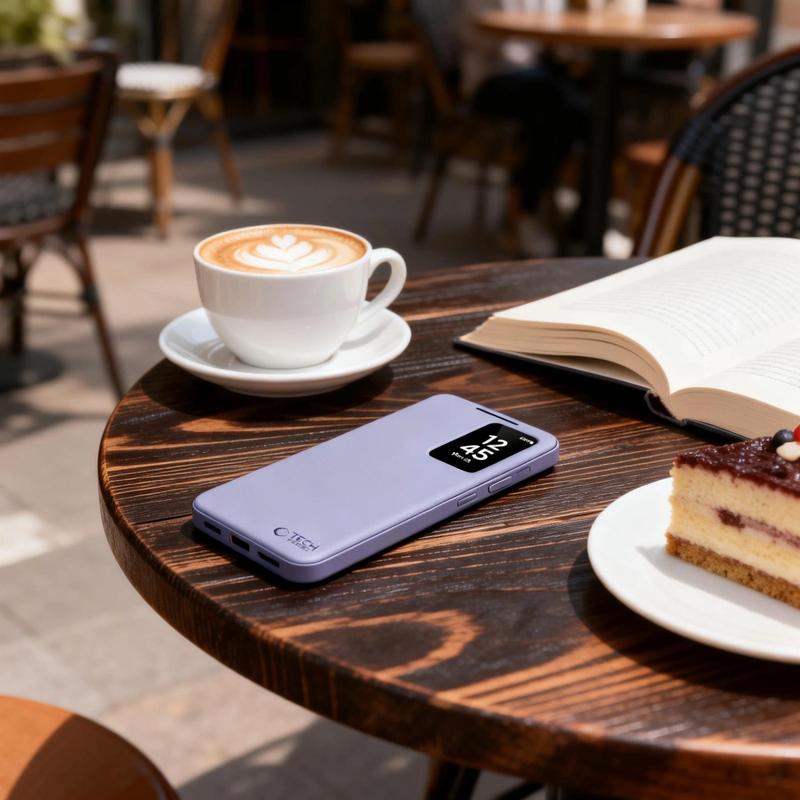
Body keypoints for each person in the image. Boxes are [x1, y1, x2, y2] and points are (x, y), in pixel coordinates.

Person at [458, 0, 588, 255]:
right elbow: (476, 31)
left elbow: (557, 25)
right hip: (491, 77)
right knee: (552, 103)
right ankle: (524, 209)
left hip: (541, 72)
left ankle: (583, 220)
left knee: (585, 109)